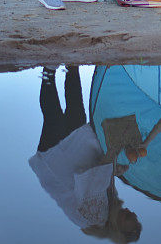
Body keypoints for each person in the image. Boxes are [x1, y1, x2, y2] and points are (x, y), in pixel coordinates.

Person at [28, 67, 142, 242]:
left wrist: (114, 151)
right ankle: (72, 65)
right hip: (78, 152)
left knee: (54, 118)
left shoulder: (94, 218)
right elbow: (99, 176)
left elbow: (90, 178)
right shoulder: (111, 206)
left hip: (57, 162)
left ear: (116, 228)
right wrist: (115, 169)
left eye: (128, 217)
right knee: (76, 109)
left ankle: (48, 71)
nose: (130, 211)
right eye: (134, 215)